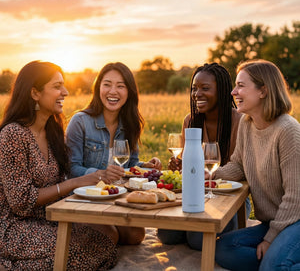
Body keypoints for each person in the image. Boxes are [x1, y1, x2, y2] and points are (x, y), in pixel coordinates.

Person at [0, 61, 118, 270]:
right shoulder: (12, 135)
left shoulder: (53, 132)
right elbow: (21, 201)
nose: (65, 92)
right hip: (13, 226)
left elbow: (61, 181)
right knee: (81, 249)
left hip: (49, 217)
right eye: (57, 87)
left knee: (108, 235)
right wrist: (78, 182)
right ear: (35, 93)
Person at [214, 59, 300, 271]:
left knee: (272, 266)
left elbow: (296, 197)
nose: (233, 92)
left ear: (263, 91)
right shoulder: (247, 123)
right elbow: (238, 165)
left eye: (241, 86)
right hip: (273, 221)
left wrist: (271, 239)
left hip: (296, 220)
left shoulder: (288, 131)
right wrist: (212, 176)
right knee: (223, 248)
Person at [157, 62, 251, 250]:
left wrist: (214, 175)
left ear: (223, 91)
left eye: (205, 88)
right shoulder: (191, 120)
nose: (197, 94)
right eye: (194, 89)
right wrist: (178, 166)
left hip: (231, 197)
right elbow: (188, 167)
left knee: (197, 241)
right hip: (195, 194)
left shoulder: (241, 122)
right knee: (166, 235)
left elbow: (244, 169)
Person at [66, 62, 162, 245]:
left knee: (136, 236)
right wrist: (99, 175)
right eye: (107, 84)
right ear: (98, 87)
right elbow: (71, 169)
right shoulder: (80, 122)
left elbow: (129, 166)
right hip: (86, 197)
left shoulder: (130, 124)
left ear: (129, 92)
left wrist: (145, 166)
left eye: (120, 86)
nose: (113, 91)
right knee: (108, 236)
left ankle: (107, 225)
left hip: (116, 196)